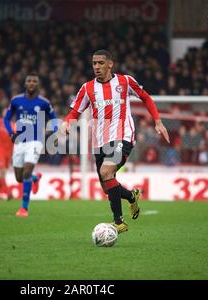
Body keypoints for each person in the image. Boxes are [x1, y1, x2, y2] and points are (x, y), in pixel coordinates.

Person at [63, 50, 169, 233]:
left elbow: (145, 97)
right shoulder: (87, 88)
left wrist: (158, 121)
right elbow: (75, 111)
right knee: (107, 185)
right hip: (99, 141)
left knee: (106, 171)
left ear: (110, 64)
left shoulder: (125, 81)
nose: (97, 66)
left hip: (123, 135)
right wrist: (67, 122)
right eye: (94, 63)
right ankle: (131, 196)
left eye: (101, 63)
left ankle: (119, 222)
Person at [3, 72, 58, 217]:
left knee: (26, 170)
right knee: (19, 178)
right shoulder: (16, 101)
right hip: (20, 141)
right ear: (25, 83)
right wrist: (10, 132)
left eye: (34, 81)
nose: (32, 83)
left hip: (35, 140)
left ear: (38, 84)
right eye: (29, 81)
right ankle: (35, 178)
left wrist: (55, 132)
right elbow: (6, 119)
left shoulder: (44, 103)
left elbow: (54, 118)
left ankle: (24, 208)